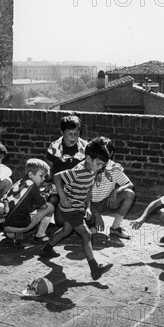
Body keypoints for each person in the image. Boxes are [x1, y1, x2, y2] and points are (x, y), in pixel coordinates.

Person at [39, 137, 113, 281]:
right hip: (70, 208)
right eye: (98, 164)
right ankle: (94, 269)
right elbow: (57, 177)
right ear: (89, 158)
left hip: (77, 207)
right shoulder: (79, 171)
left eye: (102, 166)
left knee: (66, 230)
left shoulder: (92, 170)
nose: (99, 168)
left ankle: (45, 250)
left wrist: (88, 207)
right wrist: (63, 197)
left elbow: (88, 188)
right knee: (86, 235)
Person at [37, 114, 88, 238]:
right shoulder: (54, 147)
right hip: (58, 186)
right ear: (62, 132)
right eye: (70, 134)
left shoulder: (85, 147)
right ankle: (42, 227)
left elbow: (89, 170)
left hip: (78, 187)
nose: (73, 137)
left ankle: (82, 217)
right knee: (60, 222)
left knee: (78, 217)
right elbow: (48, 170)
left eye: (76, 134)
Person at [88, 137, 135, 240]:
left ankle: (115, 228)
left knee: (129, 194)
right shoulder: (91, 165)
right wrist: (96, 214)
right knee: (90, 228)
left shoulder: (114, 168)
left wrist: (116, 190)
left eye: (107, 152)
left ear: (111, 153)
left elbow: (130, 184)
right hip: (89, 204)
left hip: (106, 203)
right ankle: (90, 223)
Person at [3, 159, 54, 246]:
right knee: (50, 207)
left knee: (24, 207)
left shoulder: (19, 182)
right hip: (20, 226)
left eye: (45, 177)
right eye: (41, 176)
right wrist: (45, 196)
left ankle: (13, 234)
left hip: (5, 225)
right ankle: (40, 235)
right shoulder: (33, 186)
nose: (43, 179)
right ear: (30, 174)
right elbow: (44, 206)